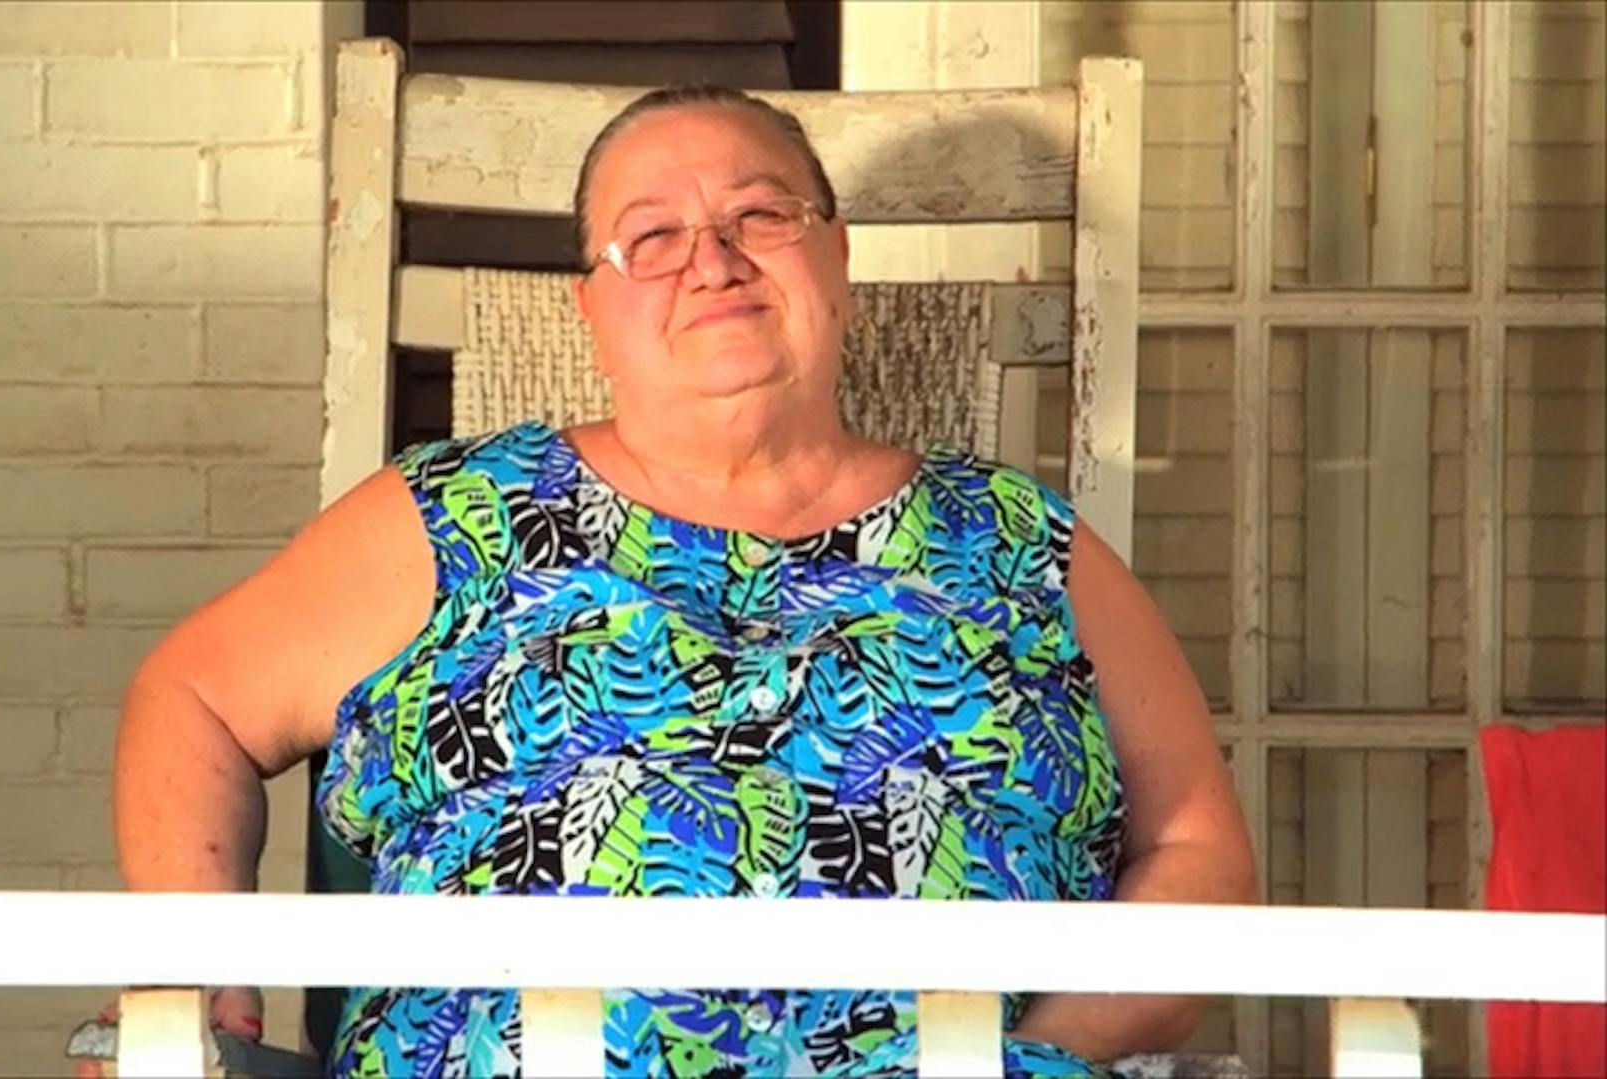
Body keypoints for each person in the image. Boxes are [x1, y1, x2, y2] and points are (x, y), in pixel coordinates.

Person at [113, 84, 1257, 1078]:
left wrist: (1030, 1051)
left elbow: (1199, 850)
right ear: (594, 311)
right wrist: (197, 972)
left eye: (762, 213)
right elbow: (194, 698)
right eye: (649, 237)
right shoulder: (450, 516)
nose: (712, 259)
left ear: (839, 259)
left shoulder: (1020, 540)